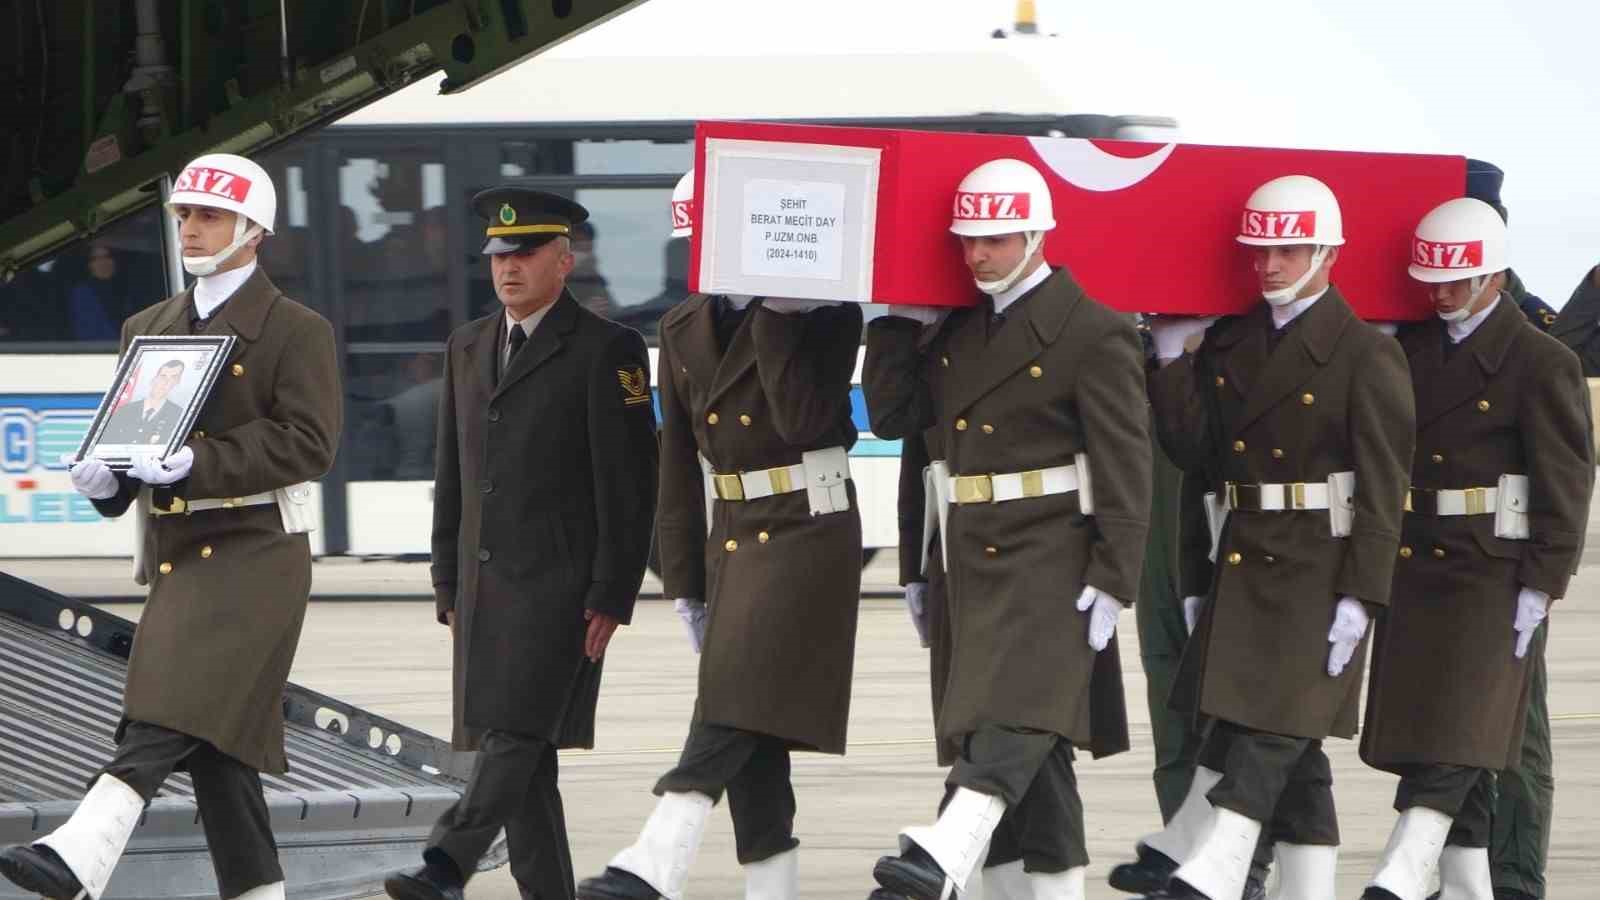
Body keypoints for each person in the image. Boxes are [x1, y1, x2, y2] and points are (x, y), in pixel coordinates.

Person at [0, 152, 342, 900]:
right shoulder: (147, 326)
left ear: (254, 231)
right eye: (184, 213)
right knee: (221, 751)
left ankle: (83, 852)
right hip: (176, 555)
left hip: (256, 553)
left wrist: (200, 460)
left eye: (209, 215)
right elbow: (136, 442)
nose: (189, 227)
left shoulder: (295, 330)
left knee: (163, 702)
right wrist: (104, 481)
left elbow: (310, 443)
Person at [864, 157, 1150, 900]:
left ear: (1034, 233)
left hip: (1054, 554)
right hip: (967, 553)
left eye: (992, 239)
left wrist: (1117, 578)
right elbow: (901, 427)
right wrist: (897, 323)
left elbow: (1125, 465)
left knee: (1013, 716)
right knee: (1032, 750)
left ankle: (941, 854)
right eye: (966, 241)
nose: (975, 255)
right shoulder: (955, 328)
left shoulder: (1093, 330)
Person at [576, 173, 863, 900]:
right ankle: (773, 884)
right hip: (733, 532)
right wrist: (685, 581)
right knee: (756, 723)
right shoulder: (681, 326)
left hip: (808, 522)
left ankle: (658, 855)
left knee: (735, 693)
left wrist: (779, 311)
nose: (701, 255)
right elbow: (675, 464)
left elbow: (802, 419)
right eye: (693, 241)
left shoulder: (827, 314)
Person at [1135, 175, 1414, 900]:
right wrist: (1169, 361)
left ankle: (1223, 861)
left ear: (1327, 253)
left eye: (1288, 251)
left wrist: (1364, 593)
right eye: (1260, 251)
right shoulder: (1232, 343)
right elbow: (1195, 456)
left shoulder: (1364, 353)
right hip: (1246, 552)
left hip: (1322, 564)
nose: (1269, 266)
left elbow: (1386, 485)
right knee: (1290, 749)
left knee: (1277, 725)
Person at [382, 187, 658, 900]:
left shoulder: (609, 350)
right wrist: (446, 580)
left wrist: (612, 593)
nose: (508, 267)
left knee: (512, 736)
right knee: (527, 761)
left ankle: (445, 863)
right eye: (498, 255)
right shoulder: (467, 345)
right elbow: (455, 474)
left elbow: (629, 486)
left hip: (562, 591)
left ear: (563, 262)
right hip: (482, 590)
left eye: (526, 253)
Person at [1356, 198, 1591, 900]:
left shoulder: (1540, 361)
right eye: (1434, 280)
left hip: (1494, 568)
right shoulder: (1411, 350)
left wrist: (1543, 580)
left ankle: (1415, 863)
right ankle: (1468, 884)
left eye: (1459, 281)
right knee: (1432, 723)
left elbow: (1565, 480)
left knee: (1471, 723)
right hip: (1418, 556)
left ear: (1496, 275)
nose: (1444, 294)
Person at [101, 357, 188, 446]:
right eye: (163, 376)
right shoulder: (125, 410)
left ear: (177, 382)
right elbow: (105, 442)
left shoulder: (178, 414)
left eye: (173, 378)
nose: (166, 382)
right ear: (154, 378)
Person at [69, 242, 126, 340]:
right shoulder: (82, 294)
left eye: (107, 256)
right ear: (90, 265)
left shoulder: (126, 288)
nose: (103, 262)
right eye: (96, 258)